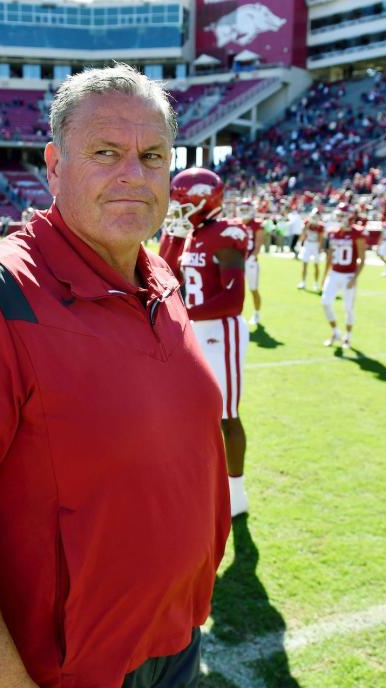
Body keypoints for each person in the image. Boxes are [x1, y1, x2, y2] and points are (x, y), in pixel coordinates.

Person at [0, 65, 229, 688]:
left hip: (175, 638)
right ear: (54, 164)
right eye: (105, 152)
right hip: (68, 684)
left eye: (152, 156)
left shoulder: (159, 276)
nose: (133, 173)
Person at [165, 167, 250, 517]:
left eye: (181, 205)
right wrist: (172, 233)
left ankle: (237, 492)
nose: (175, 210)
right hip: (197, 328)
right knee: (193, 412)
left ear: (203, 201)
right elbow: (166, 274)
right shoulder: (191, 233)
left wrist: (185, 312)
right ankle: (204, 480)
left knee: (226, 415)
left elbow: (234, 298)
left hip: (221, 330)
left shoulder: (227, 233)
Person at [321, 204, 366, 349]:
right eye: (338, 215)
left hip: (348, 275)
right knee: (325, 302)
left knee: (348, 308)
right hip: (334, 273)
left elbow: (362, 259)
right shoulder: (333, 232)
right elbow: (330, 256)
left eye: (342, 216)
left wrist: (355, 277)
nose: (339, 218)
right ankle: (335, 332)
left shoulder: (357, 233)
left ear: (350, 217)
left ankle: (347, 337)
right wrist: (325, 275)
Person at [237, 201, 263, 325]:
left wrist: (252, 257)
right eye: (242, 209)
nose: (244, 212)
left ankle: (257, 313)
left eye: (246, 209)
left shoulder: (257, 224)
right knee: (237, 289)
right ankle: (237, 314)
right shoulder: (236, 223)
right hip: (236, 261)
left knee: (253, 289)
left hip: (250, 261)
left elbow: (258, 245)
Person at [297, 207, 325, 290]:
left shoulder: (320, 226)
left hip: (316, 244)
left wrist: (320, 248)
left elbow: (321, 238)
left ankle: (316, 283)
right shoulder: (307, 223)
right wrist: (307, 226)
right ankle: (303, 282)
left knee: (316, 264)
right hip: (308, 243)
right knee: (305, 263)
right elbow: (303, 234)